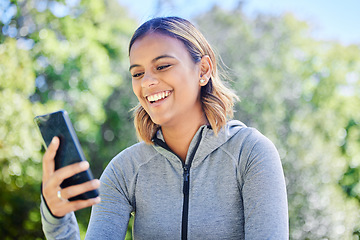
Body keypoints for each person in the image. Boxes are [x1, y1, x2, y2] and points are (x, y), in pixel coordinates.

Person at [41, 16, 289, 239]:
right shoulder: (124, 170)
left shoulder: (252, 153)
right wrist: (56, 219)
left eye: (162, 66)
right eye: (137, 74)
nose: (147, 82)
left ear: (203, 69)